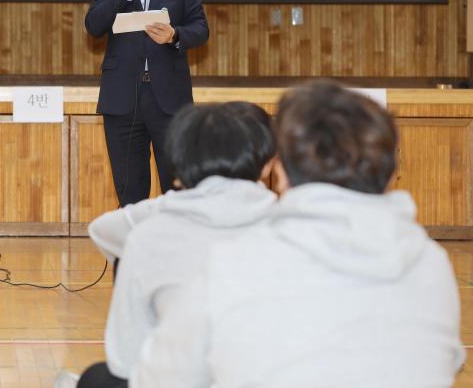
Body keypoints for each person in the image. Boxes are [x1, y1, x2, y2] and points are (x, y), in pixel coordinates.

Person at [131, 81, 466, 388]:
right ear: (392, 170)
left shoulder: (233, 262)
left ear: (281, 173)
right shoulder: (430, 263)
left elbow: (160, 379)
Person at [56, 102, 278, 388]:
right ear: (269, 163)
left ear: (178, 165)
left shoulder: (150, 231)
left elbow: (125, 360)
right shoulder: (295, 225)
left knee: (95, 379)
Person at [85, 0, 209, 207]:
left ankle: (174, 254)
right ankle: (131, 254)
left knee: (178, 190)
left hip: (170, 99)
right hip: (122, 99)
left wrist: (173, 35)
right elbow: (94, 26)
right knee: (130, 192)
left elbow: (200, 28)